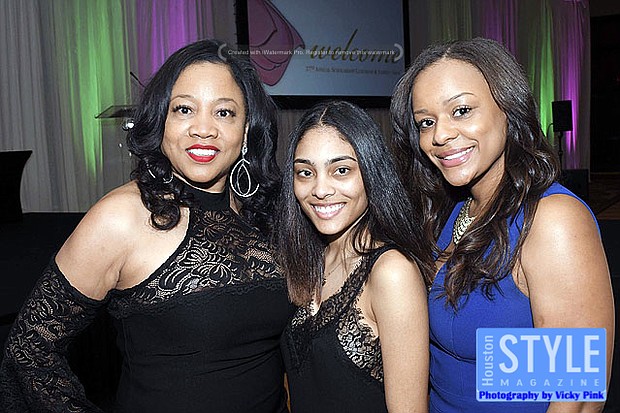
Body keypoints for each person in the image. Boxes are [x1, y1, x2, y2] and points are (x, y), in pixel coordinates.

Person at [0, 39, 293, 412]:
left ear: (247, 129)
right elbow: (29, 350)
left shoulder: (263, 211)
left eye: (224, 112)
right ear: (160, 120)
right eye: (184, 109)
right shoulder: (121, 217)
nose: (203, 129)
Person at [390, 37, 615, 413]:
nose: (439, 135)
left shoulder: (551, 219)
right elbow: (482, 365)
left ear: (508, 109)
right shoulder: (457, 208)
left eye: (461, 110)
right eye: (426, 122)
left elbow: (575, 400)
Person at [276, 100, 433, 413]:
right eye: (305, 172)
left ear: (371, 173)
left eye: (341, 170)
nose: (320, 189)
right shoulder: (308, 258)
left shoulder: (391, 271)